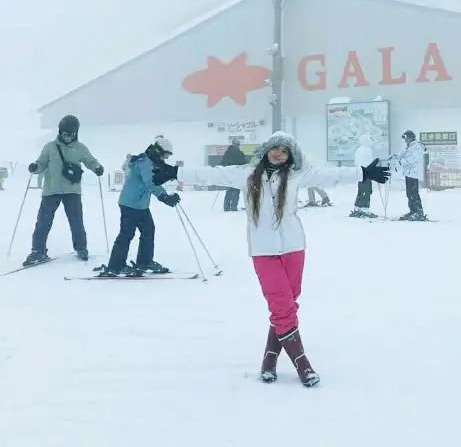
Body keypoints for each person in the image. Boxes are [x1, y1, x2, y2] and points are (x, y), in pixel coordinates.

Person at [156, 131, 391, 387]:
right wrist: (174, 173)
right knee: (282, 306)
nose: (278, 153)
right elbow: (211, 174)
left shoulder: (297, 174)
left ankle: (269, 358)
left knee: (286, 305)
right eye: (274, 148)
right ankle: (302, 363)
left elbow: (330, 175)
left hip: (293, 247)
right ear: (267, 150)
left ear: (291, 155)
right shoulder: (246, 174)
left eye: (284, 150)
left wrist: (363, 173)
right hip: (263, 250)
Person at [23, 115, 104, 266]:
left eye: (71, 134)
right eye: (65, 133)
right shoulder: (50, 147)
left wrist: (97, 167)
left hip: (72, 191)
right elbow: (41, 163)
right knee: (43, 221)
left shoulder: (80, 148)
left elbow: (90, 161)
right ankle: (38, 251)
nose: (67, 136)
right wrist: (35, 167)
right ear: (60, 131)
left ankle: (81, 248)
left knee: (76, 221)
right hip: (51, 190)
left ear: (76, 133)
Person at [97, 137, 181, 277]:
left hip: (140, 205)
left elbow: (157, 179)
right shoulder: (144, 163)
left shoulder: (151, 162)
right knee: (126, 234)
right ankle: (115, 267)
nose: (166, 158)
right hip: (130, 204)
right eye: (166, 155)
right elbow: (150, 183)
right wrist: (164, 197)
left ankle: (144, 262)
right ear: (159, 151)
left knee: (148, 231)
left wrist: (167, 194)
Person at [393, 130, 427, 221]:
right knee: (409, 194)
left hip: (414, 173)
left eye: (406, 138)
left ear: (410, 137)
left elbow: (412, 159)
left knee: (413, 194)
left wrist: (401, 162)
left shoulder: (416, 146)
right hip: (409, 173)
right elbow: (404, 154)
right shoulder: (411, 146)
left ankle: (418, 212)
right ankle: (412, 211)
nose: (405, 140)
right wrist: (395, 156)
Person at [350, 134, 376, 218]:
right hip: (367, 173)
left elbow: (356, 162)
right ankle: (365, 208)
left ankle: (358, 207)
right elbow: (369, 162)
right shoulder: (368, 150)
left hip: (359, 173)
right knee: (367, 190)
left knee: (361, 190)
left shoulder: (358, 149)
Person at [220, 138, 247, 211]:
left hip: (228, 174)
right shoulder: (240, 153)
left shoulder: (227, 153)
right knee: (235, 191)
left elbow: (222, 163)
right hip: (236, 175)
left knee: (229, 191)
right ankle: (233, 207)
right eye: (238, 145)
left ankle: (226, 207)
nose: (238, 146)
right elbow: (244, 164)